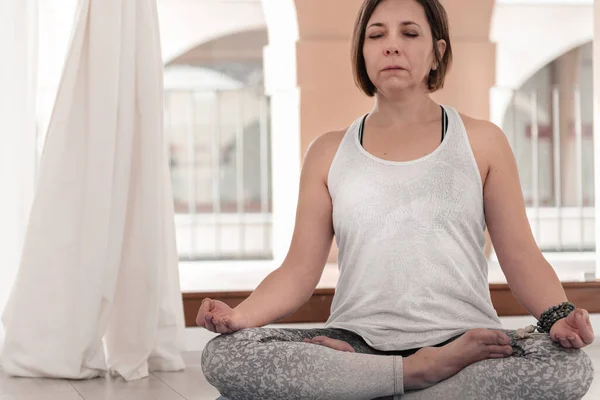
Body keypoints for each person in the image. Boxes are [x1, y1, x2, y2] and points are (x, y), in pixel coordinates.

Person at [198, 0, 595, 399]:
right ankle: (408, 376)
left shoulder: (483, 141)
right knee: (226, 355)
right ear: (363, 52)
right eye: (376, 35)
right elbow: (298, 271)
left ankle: (371, 386)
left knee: (568, 367)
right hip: (355, 343)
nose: (391, 45)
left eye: (409, 33)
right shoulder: (328, 151)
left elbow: (521, 255)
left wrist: (558, 316)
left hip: (465, 345)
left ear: (437, 53)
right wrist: (239, 316)